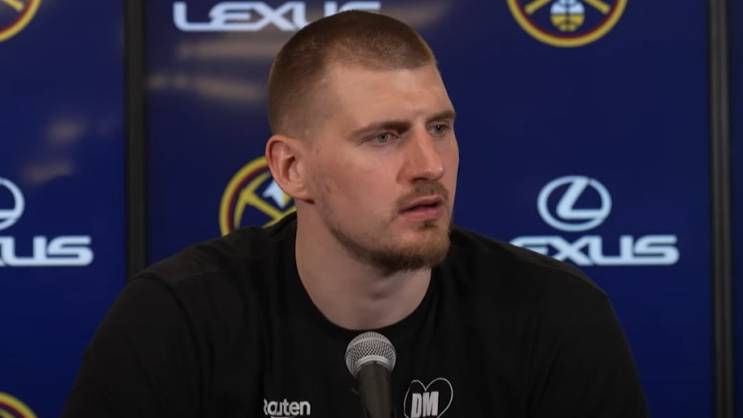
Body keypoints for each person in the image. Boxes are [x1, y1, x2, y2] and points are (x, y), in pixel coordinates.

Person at [62, 10, 647, 418]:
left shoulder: (554, 315)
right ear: (292, 168)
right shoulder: (174, 322)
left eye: (439, 127)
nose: (430, 165)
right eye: (384, 137)